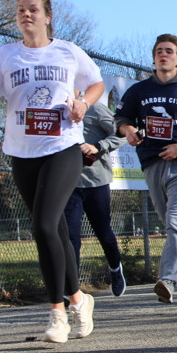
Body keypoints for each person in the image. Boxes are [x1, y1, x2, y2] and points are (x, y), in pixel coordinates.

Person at [0, 0, 104, 342]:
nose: (26, 14)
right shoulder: (5, 55)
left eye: (33, 9)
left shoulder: (67, 51)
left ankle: (57, 314)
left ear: (47, 16)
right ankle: (79, 300)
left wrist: (83, 104)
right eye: (21, 10)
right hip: (22, 152)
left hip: (63, 146)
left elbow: (96, 83)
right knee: (54, 230)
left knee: (42, 225)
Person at [116, 34, 177, 304]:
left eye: (169, 51)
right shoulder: (139, 91)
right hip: (151, 162)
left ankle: (168, 280)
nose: (163, 54)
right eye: (159, 51)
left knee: (174, 222)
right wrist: (129, 131)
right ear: (154, 59)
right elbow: (121, 118)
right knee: (170, 222)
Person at [63, 98, 126, 296]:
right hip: (68, 183)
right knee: (71, 237)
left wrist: (98, 146)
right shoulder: (55, 109)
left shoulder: (96, 109)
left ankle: (115, 268)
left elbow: (123, 134)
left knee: (104, 233)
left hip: (95, 182)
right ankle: (71, 288)